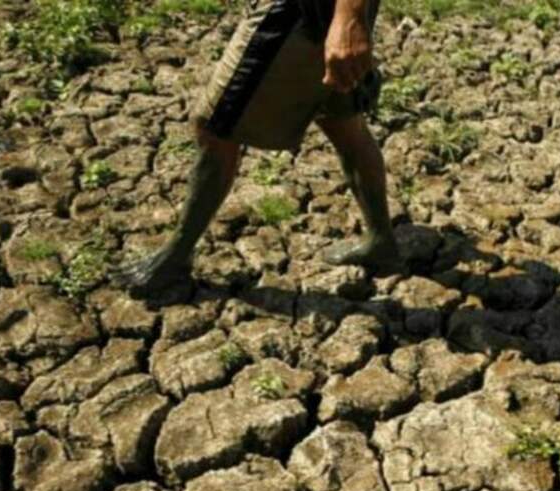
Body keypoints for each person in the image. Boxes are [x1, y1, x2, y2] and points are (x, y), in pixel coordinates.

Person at [113, 0, 404, 292]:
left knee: (214, 127)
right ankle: (381, 242)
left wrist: (348, 19)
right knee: (341, 121)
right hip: (323, 16)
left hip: (297, 14)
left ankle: (175, 257)